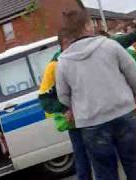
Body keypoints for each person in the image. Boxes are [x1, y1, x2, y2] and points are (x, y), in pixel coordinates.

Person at [56, 9, 136, 180]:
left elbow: (63, 96)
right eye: (91, 23)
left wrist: (78, 107)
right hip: (123, 113)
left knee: (105, 172)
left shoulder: (63, 61)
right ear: (86, 26)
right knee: (134, 168)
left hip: (91, 122)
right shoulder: (110, 45)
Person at [39, 29, 92, 180]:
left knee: (101, 153)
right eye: (70, 43)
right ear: (62, 45)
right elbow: (44, 98)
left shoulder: (82, 58)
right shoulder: (54, 66)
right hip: (74, 121)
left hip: (92, 115)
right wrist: (65, 109)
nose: (74, 46)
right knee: (82, 156)